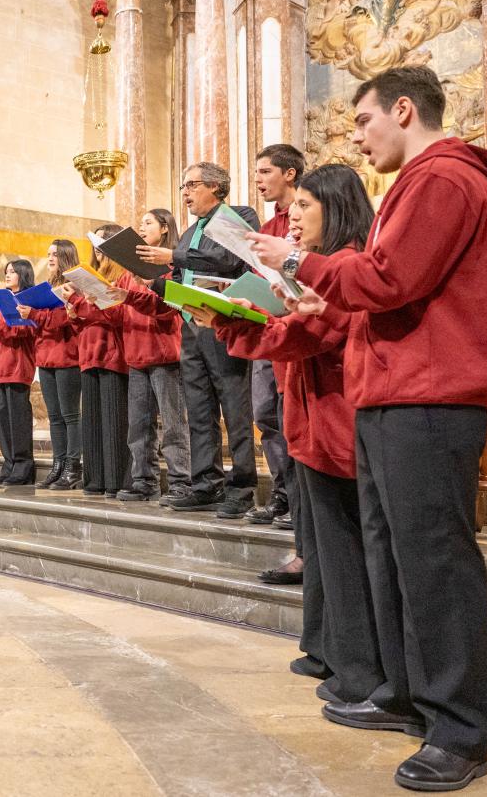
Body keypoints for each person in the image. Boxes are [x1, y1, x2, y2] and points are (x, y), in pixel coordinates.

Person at [250, 65, 487, 792]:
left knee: (435, 565)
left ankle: (459, 728)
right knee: (394, 560)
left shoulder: (444, 180)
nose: (357, 138)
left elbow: (392, 281)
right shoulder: (417, 186)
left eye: (363, 122)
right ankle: (404, 691)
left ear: (402, 109)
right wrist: (315, 305)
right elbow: (382, 294)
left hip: (429, 398)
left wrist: (300, 260)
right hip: (391, 395)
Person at [199, 163, 379, 712]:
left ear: (338, 207)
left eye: (303, 206)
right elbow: (294, 328)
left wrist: (231, 320)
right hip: (312, 420)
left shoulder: (346, 265)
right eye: (293, 207)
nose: (292, 218)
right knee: (321, 547)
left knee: (344, 550)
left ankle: (359, 669)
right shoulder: (327, 268)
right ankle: (327, 649)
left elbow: (305, 336)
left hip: (337, 422)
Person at [138, 163, 261, 516]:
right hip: (191, 325)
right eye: (184, 185)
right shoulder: (192, 229)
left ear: (215, 186)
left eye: (191, 185)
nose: (185, 192)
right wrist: (154, 281)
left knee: (235, 408)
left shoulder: (239, 215)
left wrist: (172, 255)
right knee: (200, 409)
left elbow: (227, 258)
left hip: (224, 324)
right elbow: (182, 275)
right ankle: (206, 483)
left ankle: (243, 486)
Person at [109, 211, 191, 503]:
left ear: (164, 229)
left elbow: (167, 307)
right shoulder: (129, 271)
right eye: (140, 224)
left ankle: (182, 481)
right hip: (137, 354)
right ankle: (144, 480)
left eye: (148, 223)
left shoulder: (171, 268)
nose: (141, 228)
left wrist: (129, 297)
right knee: (139, 426)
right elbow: (123, 310)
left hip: (165, 353)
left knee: (173, 424)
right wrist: (100, 298)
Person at [250, 144, 303, 526]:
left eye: (266, 172)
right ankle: (282, 492)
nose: (258, 180)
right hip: (265, 327)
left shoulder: (304, 218)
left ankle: (297, 498)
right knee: (266, 414)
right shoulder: (266, 229)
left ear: (290, 174)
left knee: (291, 417)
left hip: (296, 329)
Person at [67, 228, 129, 497]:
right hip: (89, 352)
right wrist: (74, 309)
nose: (98, 249)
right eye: (95, 243)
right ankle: (94, 479)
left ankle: (115, 479)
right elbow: (83, 319)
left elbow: (117, 316)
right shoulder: (92, 277)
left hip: (113, 353)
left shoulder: (123, 275)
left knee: (113, 420)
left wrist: (83, 307)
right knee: (91, 419)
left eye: (103, 242)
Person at [23, 240, 83, 490]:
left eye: (55, 254)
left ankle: (73, 466)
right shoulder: (47, 286)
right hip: (46, 356)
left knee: (70, 415)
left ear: (66, 256)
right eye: (48, 254)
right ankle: (58, 465)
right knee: (55, 417)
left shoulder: (73, 285)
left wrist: (34, 315)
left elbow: (61, 319)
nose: (50, 258)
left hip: (67, 355)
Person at [0, 260, 38, 486]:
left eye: (13, 272)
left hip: (18, 366)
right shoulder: (1, 300)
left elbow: (18, 330)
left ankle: (23, 466)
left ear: (23, 274)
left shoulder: (28, 300)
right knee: (3, 420)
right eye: (6, 271)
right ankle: (9, 464)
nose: (8, 275)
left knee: (18, 420)